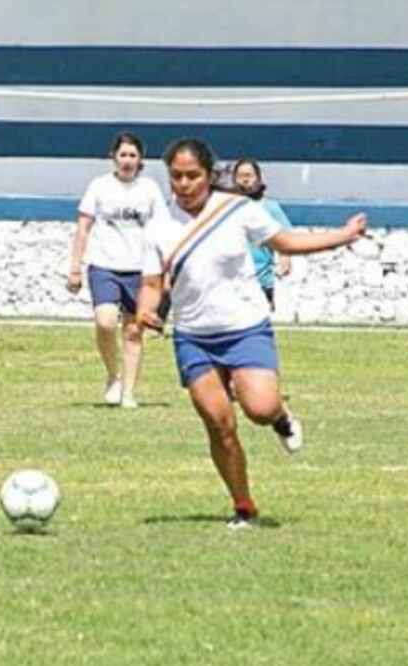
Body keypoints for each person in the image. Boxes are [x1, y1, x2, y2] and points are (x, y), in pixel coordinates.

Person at [129, 138, 367, 529]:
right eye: (177, 176)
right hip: (193, 335)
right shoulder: (159, 225)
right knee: (219, 423)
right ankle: (243, 506)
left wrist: (340, 236)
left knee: (259, 408)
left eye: (193, 176)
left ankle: (281, 417)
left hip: (245, 329)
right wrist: (144, 311)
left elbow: (285, 242)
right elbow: (152, 284)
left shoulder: (239, 210)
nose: (185, 184)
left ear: (209, 175)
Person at [66, 132, 168, 408]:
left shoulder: (150, 189)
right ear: (114, 157)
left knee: (134, 331)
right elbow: (83, 228)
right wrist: (74, 268)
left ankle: (128, 393)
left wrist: (166, 271)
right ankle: (113, 376)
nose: (127, 160)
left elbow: (163, 232)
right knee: (106, 321)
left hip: (141, 270)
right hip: (104, 265)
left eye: (133, 155)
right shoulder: (99, 186)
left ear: (140, 159)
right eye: (123, 155)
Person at [231, 158, 292, 309]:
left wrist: (286, 257)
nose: (245, 180)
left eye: (249, 175)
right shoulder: (227, 208)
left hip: (262, 281)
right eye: (241, 176)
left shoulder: (270, 208)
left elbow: (286, 236)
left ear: (258, 178)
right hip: (233, 282)